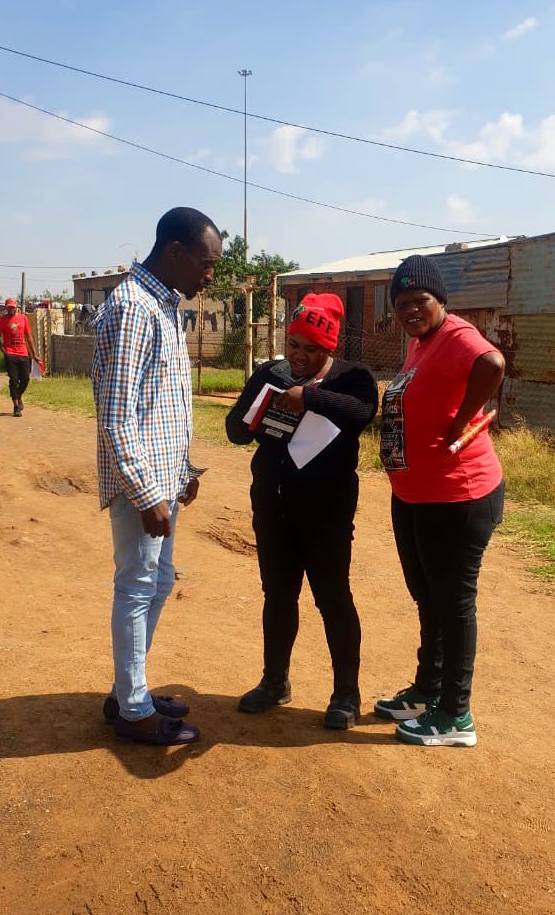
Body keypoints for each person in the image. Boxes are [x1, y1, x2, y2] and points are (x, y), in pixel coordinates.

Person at [92, 207, 222, 746]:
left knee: (159, 581)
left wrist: (182, 472)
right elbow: (118, 415)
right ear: (174, 252)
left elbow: (162, 406)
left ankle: (130, 690)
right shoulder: (131, 309)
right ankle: (134, 709)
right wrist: (147, 493)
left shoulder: (162, 304)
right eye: (206, 263)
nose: (210, 275)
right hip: (138, 483)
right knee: (139, 585)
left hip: (163, 479)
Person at [226, 293, 378, 729]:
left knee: (333, 599)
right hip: (273, 507)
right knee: (278, 596)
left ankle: (346, 694)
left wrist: (307, 397)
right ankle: (275, 681)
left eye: (311, 349)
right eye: (294, 344)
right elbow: (235, 431)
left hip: (326, 514)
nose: (300, 355)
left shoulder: (353, 378)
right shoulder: (267, 374)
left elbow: (363, 413)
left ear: (329, 347)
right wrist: (252, 416)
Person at [375, 255, 505, 747]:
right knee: (427, 597)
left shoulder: (455, 336)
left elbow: (492, 364)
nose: (410, 310)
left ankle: (455, 715)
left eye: (419, 301)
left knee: (452, 604)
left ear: (440, 300)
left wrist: (462, 420)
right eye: (402, 303)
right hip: (416, 495)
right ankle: (427, 691)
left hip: (457, 495)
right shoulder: (420, 342)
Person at [0, 298, 41, 417]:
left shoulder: (23, 318)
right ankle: (16, 406)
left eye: (13, 307)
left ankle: (18, 396)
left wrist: (34, 354)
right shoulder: (2, 320)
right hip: (10, 353)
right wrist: (5, 352)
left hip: (23, 353)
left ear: (17, 307)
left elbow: (29, 337)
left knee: (25, 379)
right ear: (6, 308)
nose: (11, 309)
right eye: (9, 307)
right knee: (14, 380)